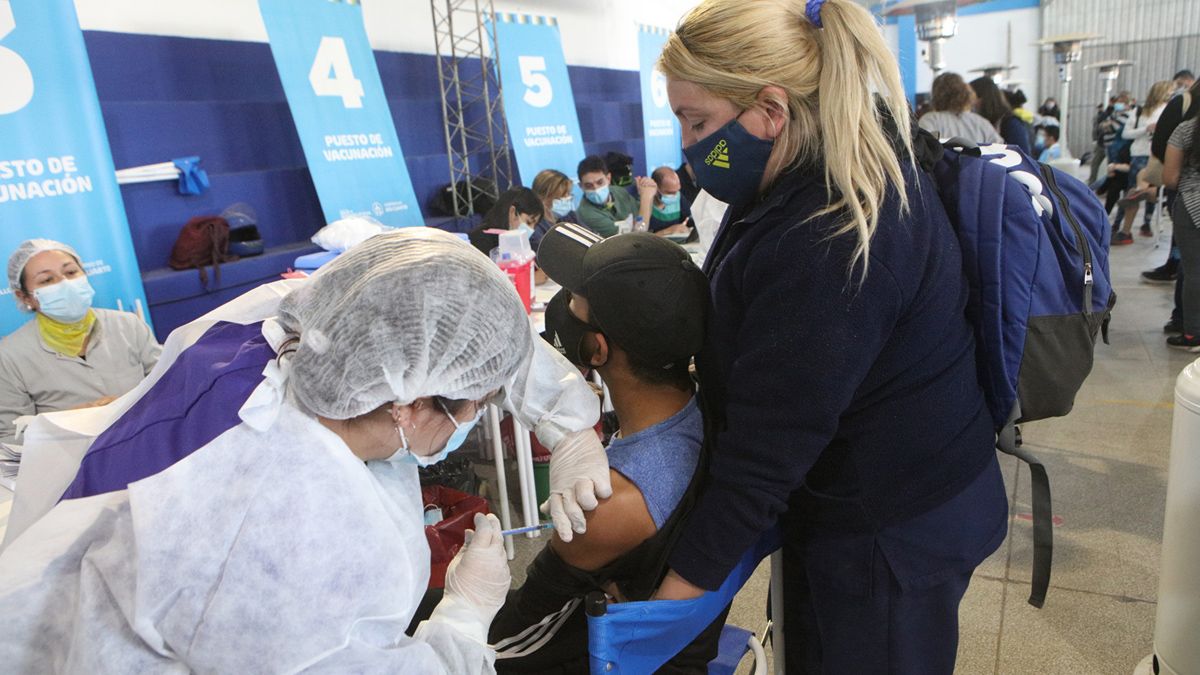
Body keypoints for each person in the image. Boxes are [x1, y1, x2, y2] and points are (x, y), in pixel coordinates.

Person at [0, 229, 612, 672]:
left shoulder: (289, 338)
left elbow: (438, 305)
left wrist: (569, 423)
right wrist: (465, 616)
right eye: (476, 401)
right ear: (409, 402)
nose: (482, 411)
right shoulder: (300, 530)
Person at [649, 1, 1008, 672]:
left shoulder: (831, 235)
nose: (690, 146)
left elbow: (763, 457)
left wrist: (666, 616)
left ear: (772, 111)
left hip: (893, 532)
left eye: (697, 122)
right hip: (858, 499)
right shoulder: (810, 166)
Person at [487, 225, 720, 671]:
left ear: (596, 348)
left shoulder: (610, 504)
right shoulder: (699, 410)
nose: (562, 307)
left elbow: (512, 638)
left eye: (573, 299)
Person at [0, 239, 160, 443]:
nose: (65, 284)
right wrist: (71, 420)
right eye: (47, 280)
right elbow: (9, 436)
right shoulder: (10, 355)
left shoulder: (127, 324)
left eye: (70, 272)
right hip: (74, 464)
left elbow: (168, 382)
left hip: (147, 441)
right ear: (25, 297)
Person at [1113, 81, 1173, 245]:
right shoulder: (1138, 111)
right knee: (1138, 185)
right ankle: (1124, 224)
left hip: (1158, 156)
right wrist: (1146, 129)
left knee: (1140, 188)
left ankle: (1139, 223)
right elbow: (1126, 134)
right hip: (1140, 154)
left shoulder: (1168, 110)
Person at [1163, 106, 1200, 350]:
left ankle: (1193, 333)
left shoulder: (1187, 129)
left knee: (1194, 272)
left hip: (1192, 202)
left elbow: (1170, 177)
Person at [575, 155, 656, 237]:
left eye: (600, 182)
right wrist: (646, 197)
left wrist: (646, 191)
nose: (596, 189)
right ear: (580, 186)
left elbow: (641, 214)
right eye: (589, 185)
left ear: (608, 178)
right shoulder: (586, 213)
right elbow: (639, 232)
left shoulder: (618, 191)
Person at [918, 72, 1004, 144]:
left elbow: (924, 152)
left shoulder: (930, 120)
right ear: (965, 93)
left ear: (936, 95)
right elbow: (1000, 150)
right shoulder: (983, 124)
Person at [468, 187, 544, 255]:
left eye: (535, 225)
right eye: (528, 222)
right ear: (513, 212)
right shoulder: (480, 241)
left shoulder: (522, 244)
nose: (532, 229)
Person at [970, 76, 1031, 155]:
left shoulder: (1011, 124)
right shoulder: (980, 123)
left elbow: (1023, 157)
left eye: (971, 97)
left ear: (982, 98)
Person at [530, 169, 576, 250]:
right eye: (562, 196)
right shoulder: (535, 228)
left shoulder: (570, 216)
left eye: (568, 194)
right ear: (542, 198)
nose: (567, 199)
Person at [648, 166, 694, 237]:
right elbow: (643, 238)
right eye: (670, 193)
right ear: (656, 188)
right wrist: (669, 231)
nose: (675, 195)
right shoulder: (645, 205)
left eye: (677, 190)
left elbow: (690, 219)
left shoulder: (679, 197)